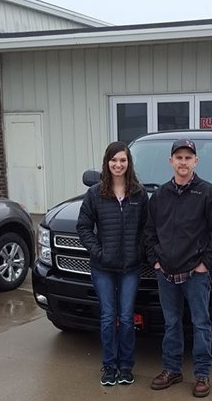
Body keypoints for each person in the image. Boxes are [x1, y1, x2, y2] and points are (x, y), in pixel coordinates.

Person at [145, 138, 212, 398]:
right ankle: (172, 369)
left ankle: (202, 374)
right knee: (171, 323)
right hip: (166, 272)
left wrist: (205, 264)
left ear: (196, 161)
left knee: (201, 323)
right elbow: (149, 233)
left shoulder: (208, 193)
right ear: (171, 161)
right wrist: (155, 261)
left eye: (188, 157)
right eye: (178, 157)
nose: (183, 162)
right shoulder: (160, 195)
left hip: (195, 273)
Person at [76, 141, 148, 386]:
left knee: (126, 317)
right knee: (108, 317)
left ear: (129, 163)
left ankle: (126, 366)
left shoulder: (139, 193)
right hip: (102, 268)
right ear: (107, 163)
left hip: (131, 268)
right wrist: (98, 251)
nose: (118, 164)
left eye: (123, 160)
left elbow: (147, 229)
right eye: (114, 160)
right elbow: (83, 226)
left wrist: (139, 251)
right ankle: (109, 367)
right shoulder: (95, 193)